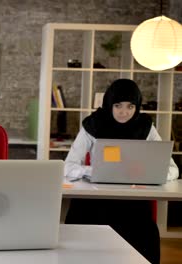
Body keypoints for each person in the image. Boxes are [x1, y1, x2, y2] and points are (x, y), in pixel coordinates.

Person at [64, 79, 179, 264]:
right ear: (109, 103)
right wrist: (95, 171)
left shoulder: (145, 126)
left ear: (137, 106)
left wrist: (152, 174)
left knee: (146, 233)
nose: (124, 112)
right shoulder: (92, 124)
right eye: (117, 105)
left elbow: (173, 169)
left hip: (131, 199)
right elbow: (68, 167)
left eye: (130, 106)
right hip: (95, 199)